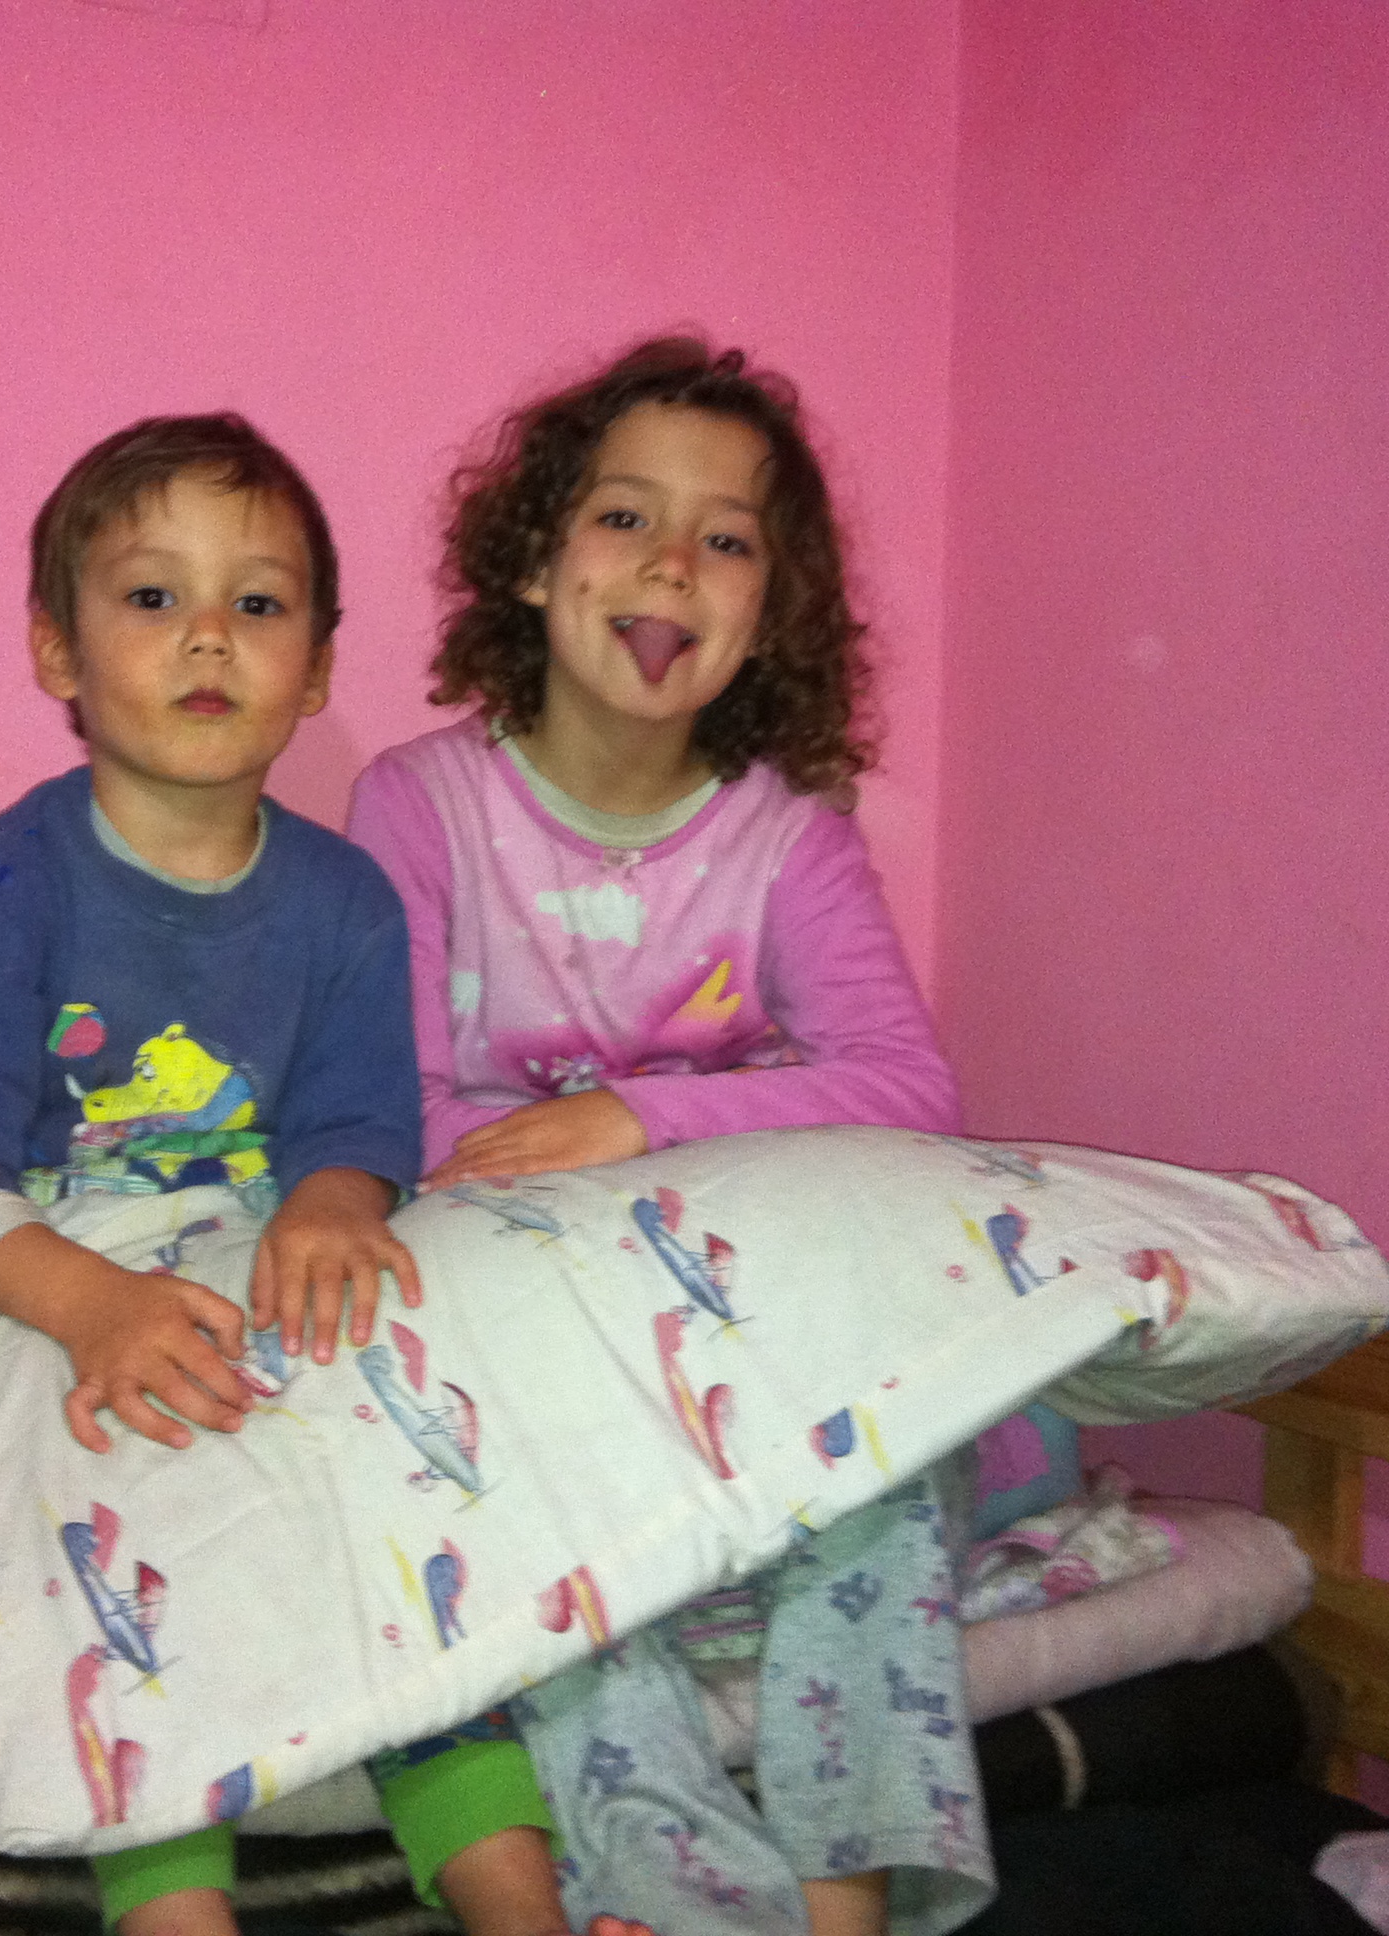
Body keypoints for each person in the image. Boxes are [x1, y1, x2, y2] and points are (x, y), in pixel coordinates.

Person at [0, 414, 578, 1936]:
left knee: (407, 1475)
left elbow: (360, 1121)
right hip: (51, 1262)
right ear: (56, 651)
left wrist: (333, 1201)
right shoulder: (1, 879)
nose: (209, 634)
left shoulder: (346, 899)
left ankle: (513, 1891)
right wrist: (91, 1308)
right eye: (153, 597)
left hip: (258, 1247)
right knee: (94, 1501)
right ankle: (167, 1895)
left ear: (315, 669)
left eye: (258, 604)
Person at [348, 339, 993, 1936]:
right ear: (535, 561)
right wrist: (556, 1171)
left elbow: (908, 1089)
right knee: (521, 1510)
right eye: (625, 517)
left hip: (735, 1311)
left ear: (771, 608)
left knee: (903, 1456)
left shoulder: (790, 839)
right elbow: (400, 1114)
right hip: (534, 1324)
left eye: (727, 538)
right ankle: (663, 1893)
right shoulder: (422, 805)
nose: (670, 565)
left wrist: (630, 1116)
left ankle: (842, 1904)